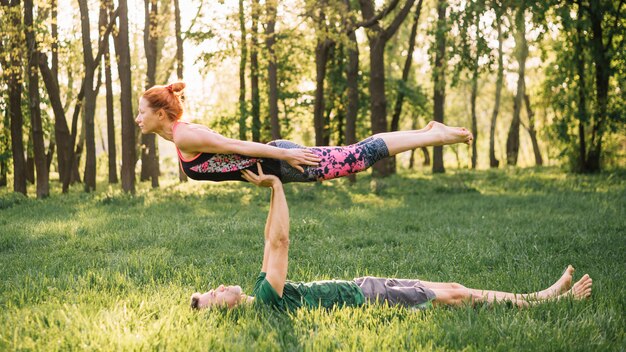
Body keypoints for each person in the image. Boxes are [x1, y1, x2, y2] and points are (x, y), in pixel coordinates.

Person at [189, 164, 593, 311]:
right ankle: (542, 302)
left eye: (213, 287)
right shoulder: (262, 302)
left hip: (364, 287)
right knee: (454, 295)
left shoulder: (258, 290)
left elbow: (267, 241)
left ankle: (541, 297)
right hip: (368, 297)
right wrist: (277, 185)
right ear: (223, 311)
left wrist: (273, 192)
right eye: (215, 295)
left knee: (453, 289)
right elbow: (281, 244)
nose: (221, 286)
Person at [136, 82, 474, 183]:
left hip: (286, 162)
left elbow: (234, 144)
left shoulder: (183, 135)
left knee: (358, 156)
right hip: (280, 167)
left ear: (161, 113)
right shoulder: (178, 136)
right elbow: (230, 159)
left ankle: (436, 135)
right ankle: (430, 133)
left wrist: (286, 154)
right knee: (357, 155)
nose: (138, 118)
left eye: (141, 112)